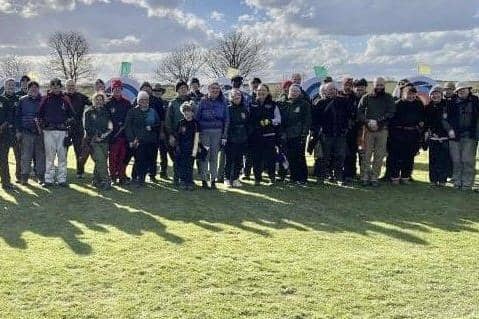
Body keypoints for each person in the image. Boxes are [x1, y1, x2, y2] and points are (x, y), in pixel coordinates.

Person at [357, 77, 395, 187]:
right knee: (366, 155)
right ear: (373, 85)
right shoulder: (366, 97)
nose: (379, 87)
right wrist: (367, 121)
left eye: (381, 85)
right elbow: (359, 112)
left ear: (384, 85)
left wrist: (378, 121)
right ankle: (364, 176)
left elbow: (391, 112)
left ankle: (374, 177)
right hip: (368, 130)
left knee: (379, 155)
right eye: (377, 85)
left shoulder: (388, 98)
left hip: (382, 130)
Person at [312, 82, 353, 184]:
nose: (332, 91)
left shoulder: (344, 101)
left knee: (340, 156)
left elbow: (351, 115)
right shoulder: (320, 103)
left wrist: (346, 127)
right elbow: (315, 120)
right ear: (325, 91)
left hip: (340, 134)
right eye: (329, 89)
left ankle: (338, 176)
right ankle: (322, 176)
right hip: (326, 134)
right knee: (324, 157)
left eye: (334, 89)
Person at [38, 78, 74, 187]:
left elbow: (72, 115)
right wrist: (43, 124)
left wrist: (68, 124)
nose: (55, 87)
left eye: (57, 85)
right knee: (50, 156)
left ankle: (62, 179)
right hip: (49, 131)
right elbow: (39, 114)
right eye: (53, 85)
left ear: (60, 87)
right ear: (50, 87)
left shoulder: (65, 99)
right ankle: (48, 179)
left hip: (62, 131)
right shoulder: (45, 99)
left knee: (62, 156)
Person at [444, 82, 479, 191]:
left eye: (464, 89)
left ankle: (467, 184)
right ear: (456, 92)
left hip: (470, 136)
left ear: (469, 90)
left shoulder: (476, 101)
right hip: (454, 137)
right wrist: (449, 130)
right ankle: (457, 182)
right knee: (456, 160)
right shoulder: (450, 103)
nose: (461, 91)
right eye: (459, 90)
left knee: (467, 160)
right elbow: (444, 119)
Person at [196, 82, 229, 190]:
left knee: (214, 157)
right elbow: (197, 118)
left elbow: (226, 119)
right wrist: (199, 134)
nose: (215, 90)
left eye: (217, 89)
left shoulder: (223, 102)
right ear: (208, 89)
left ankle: (213, 180)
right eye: (213, 88)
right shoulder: (203, 101)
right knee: (205, 156)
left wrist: (224, 135)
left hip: (218, 133)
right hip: (205, 132)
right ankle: (204, 180)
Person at [388, 86, 424, 185]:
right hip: (398, 134)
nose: (411, 96)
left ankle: (405, 177)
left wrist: (421, 123)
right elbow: (391, 121)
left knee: (409, 157)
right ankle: (394, 177)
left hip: (413, 135)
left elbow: (422, 117)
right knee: (396, 157)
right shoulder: (397, 104)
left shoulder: (419, 104)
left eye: (413, 94)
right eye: (409, 94)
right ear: (403, 94)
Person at [125, 90, 160, 187]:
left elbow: (158, 124)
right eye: (142, 100)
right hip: (138, 141)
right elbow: (128, 126)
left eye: (146, 100)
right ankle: (136, 178)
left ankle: (143, 179)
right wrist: (132, 139)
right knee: (139, 160)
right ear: (138, 101)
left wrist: (152, 127)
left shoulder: (153, 111)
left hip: (151, 141)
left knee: (149, 160)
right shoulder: (132, 111)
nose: (144, 102)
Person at [249, 83, 281, 186]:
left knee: (270, 158)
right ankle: (257, 178)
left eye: (263, 90)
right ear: (256, 91)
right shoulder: (252, 104)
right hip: (255, 136)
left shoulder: (273, 104)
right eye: (259, 90)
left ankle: (272, 178)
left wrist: (270, 121)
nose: (261, 92)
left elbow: (278, 119)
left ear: (267, 92)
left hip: (269, 135)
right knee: (256, 158)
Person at [132, 81, 164, 183]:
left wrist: (160, 131)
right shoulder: (135, 102)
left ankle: (152, 175)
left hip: (153, 135)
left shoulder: (156, 102)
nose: (146, 90)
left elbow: (161, 120)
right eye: (144, 88)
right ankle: (137, 176)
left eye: (148, 88)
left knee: (152, 156)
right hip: (139, 136)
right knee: (139, 157)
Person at [15, 81, 45, 186]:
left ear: (38, 89)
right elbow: (17, 117)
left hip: (40, 133)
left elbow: (46, 115)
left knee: (40, 156)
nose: (34, 89)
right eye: (31, 88)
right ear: (28, 89)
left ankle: (41, 177)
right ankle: (24, 178)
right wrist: (18, 131)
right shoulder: (22, 100)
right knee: (25, 156)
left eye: (36, 88)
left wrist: (41, 124)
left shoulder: (43, 100)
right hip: (26, 132)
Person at [282, 84, 311, 185]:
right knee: (290, 156)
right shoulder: (285, 104)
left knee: (300, 157)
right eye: (292, 91)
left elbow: (307, 120)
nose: (293, 93)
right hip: (287, 135)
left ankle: (303, 178)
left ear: (299, 93)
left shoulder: (304, 104)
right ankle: (293, 177)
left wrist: (304, 133)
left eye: (296, 91)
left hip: (299, 135)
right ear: (288, 92)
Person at [83, 92, 113, 190]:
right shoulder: (88, 112)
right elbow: (87, 127)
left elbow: (109, 126)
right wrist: (98, 135)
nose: (99, 101)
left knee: (100, 161)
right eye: (97, 99)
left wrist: (104, 135)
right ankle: (106, 180)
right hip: (93, 140)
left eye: (101, 100)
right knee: (101, 160)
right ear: (93, 100)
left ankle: (96, 180)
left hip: (105, 140)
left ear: (103, 101)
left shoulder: (106, 112)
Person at [165, 80, 192, 185]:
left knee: (188, 159)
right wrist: (171, 135)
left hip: (189, 135)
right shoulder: (173, 103)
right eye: (181, 88)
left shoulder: (191, 102)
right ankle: (177, 179)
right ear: (177, 90)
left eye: (185, 88)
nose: (183, 90)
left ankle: (187, 179)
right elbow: (168, 121)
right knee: (177, 157)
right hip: (177, 135)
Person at [105, 79, 131, 185]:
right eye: (115, 89)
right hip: (112, 136)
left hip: (124, 135)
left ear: (122, 89)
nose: (117, 91)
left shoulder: (127, 103)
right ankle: (112, 177)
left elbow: (129, 119)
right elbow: (105, 120)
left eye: (119, 89)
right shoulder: (108, 103)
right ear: (112, 90)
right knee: (112, 158)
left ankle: (121, 176)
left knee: (122, 158)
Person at [65, 79, 92, 178]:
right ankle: (62, 172)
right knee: (63, 151)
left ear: (75, 86)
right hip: (65, 128)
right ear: (66, 87)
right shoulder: (63, 97)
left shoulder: (81, 97)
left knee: (79, 151)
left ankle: (80, 172)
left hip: (78, 127)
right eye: (69, 86)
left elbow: (92, 102)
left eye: (72, 85)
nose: (71, 87)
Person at [424, 85, 450, 186]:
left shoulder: (448, 105)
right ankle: (433, 180)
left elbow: (450, 121)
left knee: (444, 160)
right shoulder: (427, 107)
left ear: (441, 94)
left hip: (445, 138)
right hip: (433, 138)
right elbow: (426, 123)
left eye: (437, 93)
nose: (435, 95)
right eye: (433, 94)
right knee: (433, 160)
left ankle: (443, 180)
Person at [340, 77, 363, 185]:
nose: (348, 87)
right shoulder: (338, 96)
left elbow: (358, 113)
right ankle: (342, 174)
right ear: (343, 85)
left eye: (350, 85)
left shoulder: (356, 98)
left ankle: (351, 174)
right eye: (346, 84)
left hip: (353, 129)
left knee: (352, 153)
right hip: (340, 129)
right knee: (342, 153)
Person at [224, 89, 249, 187]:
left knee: (239, 160)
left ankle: (235, 178)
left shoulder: (244, 109)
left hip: (242, 138)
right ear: (231, 98)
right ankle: (227, 178)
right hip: (231, 138)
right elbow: (226, 124)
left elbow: (247, 123)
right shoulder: (228, 109)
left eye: (238, 96)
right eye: (234, 96)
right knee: (230, 159)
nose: (236, 98)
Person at [175, 101, 200, 191]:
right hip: (182, 148)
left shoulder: (196, 123)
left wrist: (195, 150)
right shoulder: (180, 123)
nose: (187, 112)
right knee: (182, 165)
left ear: (192, 112)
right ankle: (182, 181)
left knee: (190, 166)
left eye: (189, 110)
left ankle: (189, 182)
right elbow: (177, 136)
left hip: (192, 148)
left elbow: (197, 138)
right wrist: (177, 147)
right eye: (185, 110)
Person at [1, 78, 21, 183]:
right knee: (3, 158)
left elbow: (20, 116)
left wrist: (19, 130)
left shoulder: (19, 99)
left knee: (19, 156)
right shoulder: (1, 99)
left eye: (13, 85)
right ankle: (6, 181)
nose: (11, 87)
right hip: (3, 133)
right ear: (5, 86)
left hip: (16, 132)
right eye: (9, 85)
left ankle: (19, 177)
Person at [243, 77, 262, 180]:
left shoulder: (264, 97)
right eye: (253, 84)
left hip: (260, 129)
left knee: (258, 154)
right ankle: (246, 173)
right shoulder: (246, 97)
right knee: (247, 154)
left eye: (257, 83)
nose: (255, 85)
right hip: (248, 129)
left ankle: (257, 175)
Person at [152, 83, 169, 179]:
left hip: (163, 130)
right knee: (153, 153)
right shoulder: (150, 102)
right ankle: (152, 173)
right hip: (153, 130)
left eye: (159, 91)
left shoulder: (165, 103)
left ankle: (163, 171)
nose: (157, 93)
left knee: (163, 153)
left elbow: (164, 119)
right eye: (156, 91)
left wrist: (163, 131)